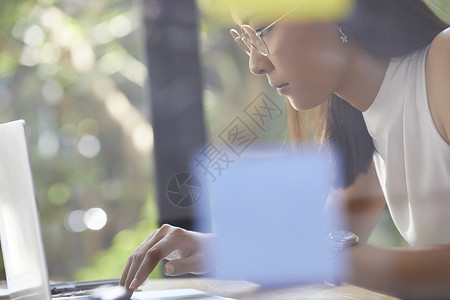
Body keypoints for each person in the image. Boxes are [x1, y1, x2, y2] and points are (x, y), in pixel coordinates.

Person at [120, 0, 450, 298]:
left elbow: (316, 253)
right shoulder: (357, 121)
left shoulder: (444, 59)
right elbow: (312, 254)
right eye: (246, 39)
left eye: (262, 30)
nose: (255, 63)